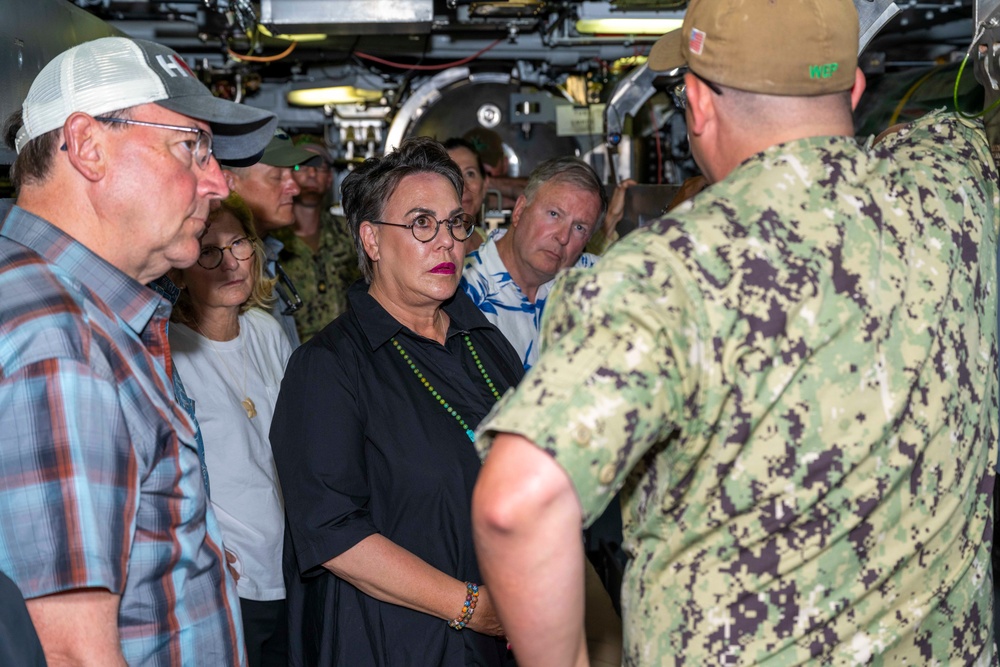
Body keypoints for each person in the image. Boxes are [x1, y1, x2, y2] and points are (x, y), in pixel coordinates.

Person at [470, 0, 998, 665]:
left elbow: (516, 500)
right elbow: (967, 132)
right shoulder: (953, 196)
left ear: (697, 101)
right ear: (856, 87)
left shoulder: (665, 275)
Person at [0, 35, 276, 665]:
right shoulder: (59, 339)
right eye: (191, 147)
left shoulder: (73, 307)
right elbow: (69, 652)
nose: (217, 182)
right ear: (88, 146)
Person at [270, 136, 523, 666]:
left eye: (456, 224)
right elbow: (333, 532)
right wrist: (473, 606)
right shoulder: (330, 365)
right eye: (421, 223)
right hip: (396, 639)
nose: (446, 242)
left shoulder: (488, 344)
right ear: (372, 240)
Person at [169, 193, 293, 667]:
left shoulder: (267, 330)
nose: (229, 264)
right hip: (230, 580)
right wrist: (201, 544)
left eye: (238, 244)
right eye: (208, 251)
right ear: (178, 266)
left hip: (289, 565)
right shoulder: (168, 350)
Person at [460, 156, 607, 370]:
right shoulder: (462, 292)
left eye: (579, 228)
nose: (563, 237)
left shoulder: (596, 280)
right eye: (554, 214)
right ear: (519, 210)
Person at [225, 129, 315, 346]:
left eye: (293, 172)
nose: (294, 188)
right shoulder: (222, 269)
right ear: (230, 183)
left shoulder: (267, 252)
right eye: (276, 176)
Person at [271, 138, 359, 342]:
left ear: (330, 179)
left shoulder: (352, 234)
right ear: (288, 175)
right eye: (302, 165)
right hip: (291, 353)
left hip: (347, 352)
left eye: (319, 166)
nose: (312, 173)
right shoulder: (271, 239)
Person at [444, 136, 492, 253]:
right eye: (452, 177)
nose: (463, 187)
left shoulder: (490, 245)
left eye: (470, 174)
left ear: (485, 184)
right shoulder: (431, 247)